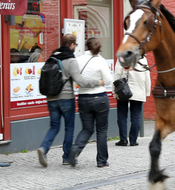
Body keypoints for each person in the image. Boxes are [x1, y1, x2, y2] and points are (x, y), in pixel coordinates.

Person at [37, 34, 103, 167]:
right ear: (72, 45)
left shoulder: (52, 56)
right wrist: (98, 82)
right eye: (75, 45)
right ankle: (67, 156)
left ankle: (43, 148)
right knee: (69, 127)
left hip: (51, 98)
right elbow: (80, 81)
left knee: (54, 126)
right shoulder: (70, 60)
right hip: (66, 98)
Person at [69, 37, 114, 168]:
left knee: (87, 128)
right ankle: (101, 161)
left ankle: (75, 149)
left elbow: (74, 80)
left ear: (86, 47)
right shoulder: (101, 61)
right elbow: (108, 80)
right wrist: (100, 81)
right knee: (102, 130)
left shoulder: (78, 60)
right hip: (100, 98)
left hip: (83, 98)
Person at [113, 56, 151, 147]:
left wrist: (114, 91)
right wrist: (147, 92)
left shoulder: (122, 58)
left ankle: (123, 140)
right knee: (136, 116)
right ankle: (133, 140)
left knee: (122, 115)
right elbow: (147, 76)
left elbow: (117, 75)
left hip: (123, 90)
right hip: (138, 91)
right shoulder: (143, 59)